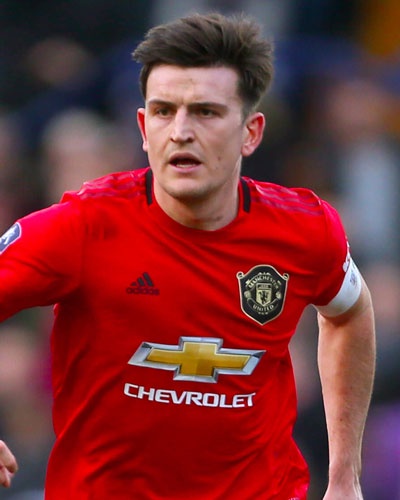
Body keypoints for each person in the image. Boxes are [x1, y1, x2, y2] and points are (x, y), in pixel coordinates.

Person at [0, 12, 375, 500]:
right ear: (143, 127)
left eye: (205, 112)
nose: (180, 131)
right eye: (163, 111)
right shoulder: (80, 228)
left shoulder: (305, 230)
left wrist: (345, 476)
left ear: (251, 132)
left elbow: (349, 313)